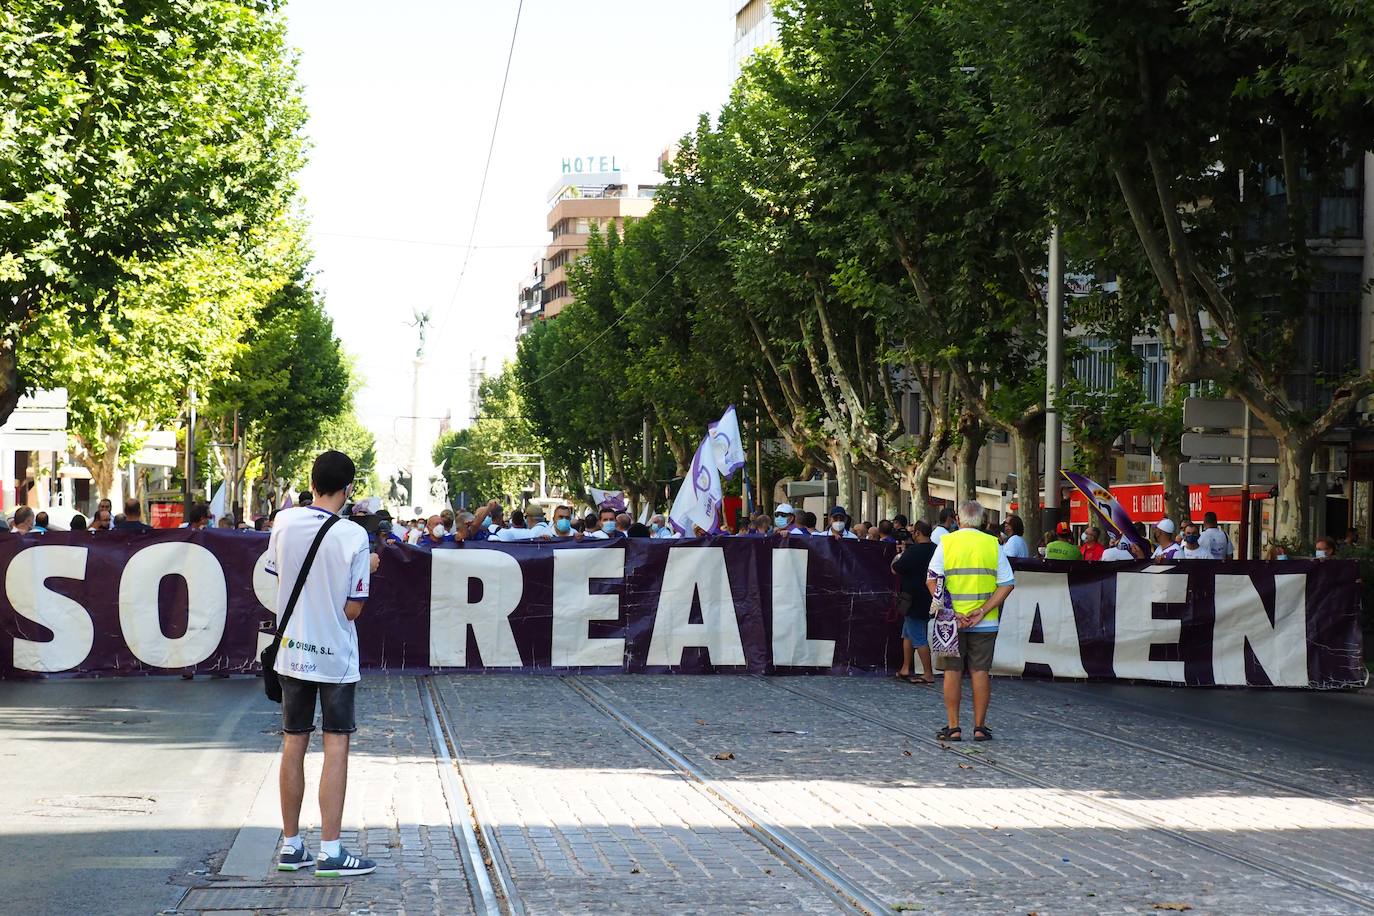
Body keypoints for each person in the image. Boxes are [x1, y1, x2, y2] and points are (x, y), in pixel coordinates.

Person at [268, 450, 377, 878]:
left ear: (312, 483)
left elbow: (282, 576)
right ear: (348, 490)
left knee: (293, 743)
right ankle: (331, 851)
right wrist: (368, 568)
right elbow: (353, 609)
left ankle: (291, 845)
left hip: (292, 651)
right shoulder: (353, 536)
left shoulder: (284, 522)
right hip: (335, 658)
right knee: (336, 746)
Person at [927, 500, 1015, 743]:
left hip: (949, 622)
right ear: (983, 520)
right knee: (980, 672)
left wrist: (951, 611)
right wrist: (983, 610)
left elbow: (932, 579)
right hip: (984, 622)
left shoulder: (947, 542)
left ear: (958, 518)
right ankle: (979, 727)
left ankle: (953, 727)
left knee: (952, 673)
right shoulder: (992, 544)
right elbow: (1007, 584)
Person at [892, 520, 937, 683]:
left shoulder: (914, 551)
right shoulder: (936, 549)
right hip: (929, 597)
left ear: (917, 533)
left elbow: (896, 568)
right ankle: (905, 668)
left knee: (918, 637)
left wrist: (900, 554)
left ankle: (927, 673)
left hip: (912, 600)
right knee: (908, 634)